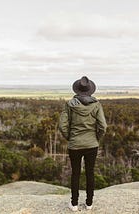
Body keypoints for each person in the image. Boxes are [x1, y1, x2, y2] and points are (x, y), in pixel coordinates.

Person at [59, 76, 107, 212]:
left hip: (75, 145)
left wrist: (70, 137)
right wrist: (96, 138)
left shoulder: (69, 105)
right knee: (90, 173)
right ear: (90, 90)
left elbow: (62, 126)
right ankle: (89, 204)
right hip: (92, 144)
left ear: (77, 90)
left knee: (75, 173)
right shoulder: (96, 105)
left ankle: (74, 204)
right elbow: (103, 126)